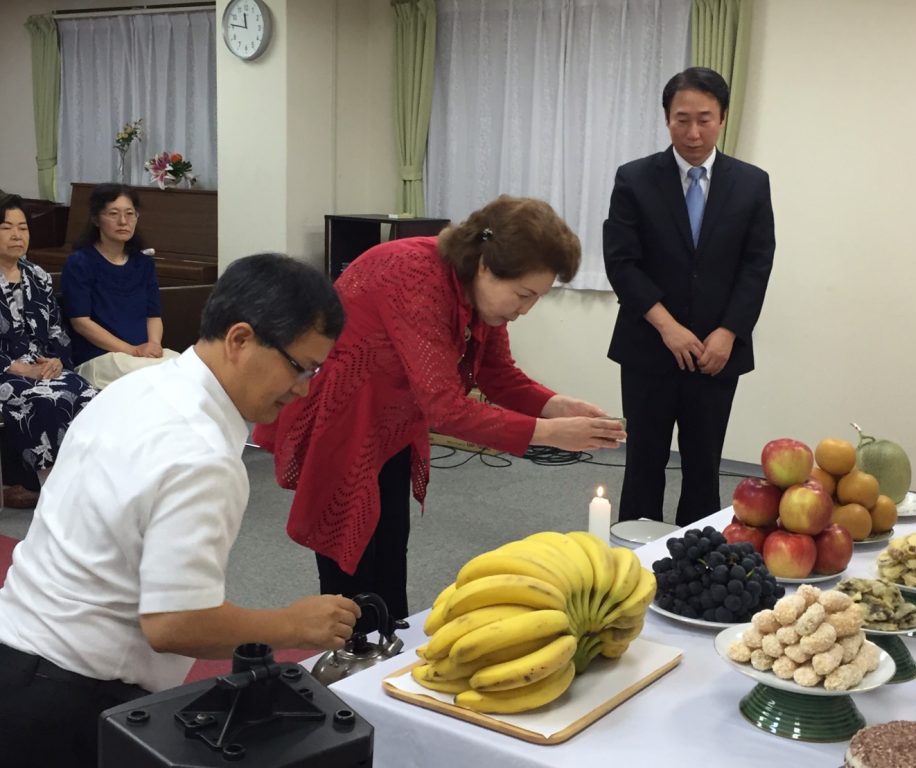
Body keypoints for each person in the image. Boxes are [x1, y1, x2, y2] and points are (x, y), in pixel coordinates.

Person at [0, 254, 361, 768]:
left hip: (16, 648)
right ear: (239, 339)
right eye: (298, 367)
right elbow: (174, 624)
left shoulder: (138, 387)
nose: (303, 387)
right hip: (71, 694)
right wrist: (292, 625)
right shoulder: (203, 456)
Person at [254, 195, 625, 623]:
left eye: (536, 298)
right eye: (523, 294)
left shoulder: (474, 292)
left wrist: (554, 405)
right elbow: (446, 409)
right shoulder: (414, 275)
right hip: (344, 417)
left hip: (393, 423)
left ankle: (388, 654)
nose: (525, 309)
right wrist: (550, 434)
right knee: (351, 569)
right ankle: (348, 666)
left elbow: (498, 373)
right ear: (485, 265)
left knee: (391, 550)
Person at [604, 67, 775, 528]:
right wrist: (667, 326)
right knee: (644, 462)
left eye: (704, 118)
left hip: (717, 354)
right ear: (666, 119)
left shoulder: (751, 183)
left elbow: (757, 264)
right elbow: (621, 262)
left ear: (722, 117)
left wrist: (728, 332)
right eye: (682, 119)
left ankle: (697, 569)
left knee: (704, 466)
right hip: (649, 347)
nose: (693, 132)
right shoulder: (635, 179)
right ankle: (633, 567)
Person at [0, 194, 97, 508]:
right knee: (45, 401)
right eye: (6, 228)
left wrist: (57, 361)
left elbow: (57, 331)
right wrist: (18, 368)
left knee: (87, 395)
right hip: (6, 372)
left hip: (42, 368)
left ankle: (90, 480)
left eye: (23, 228)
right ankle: (51, 489)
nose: (17, 235)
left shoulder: (37, 276)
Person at [60, 183, 178, 388]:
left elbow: (153, 316)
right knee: (151, 379)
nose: (123, 221)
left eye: (130, 214)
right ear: (96, 219)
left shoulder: (143, 263)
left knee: (186, 370)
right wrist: (131, 350)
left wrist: (155, 345)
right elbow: (81, 323)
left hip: (142, 355)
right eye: (113, 213)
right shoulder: (80, 262)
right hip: (99, 357)